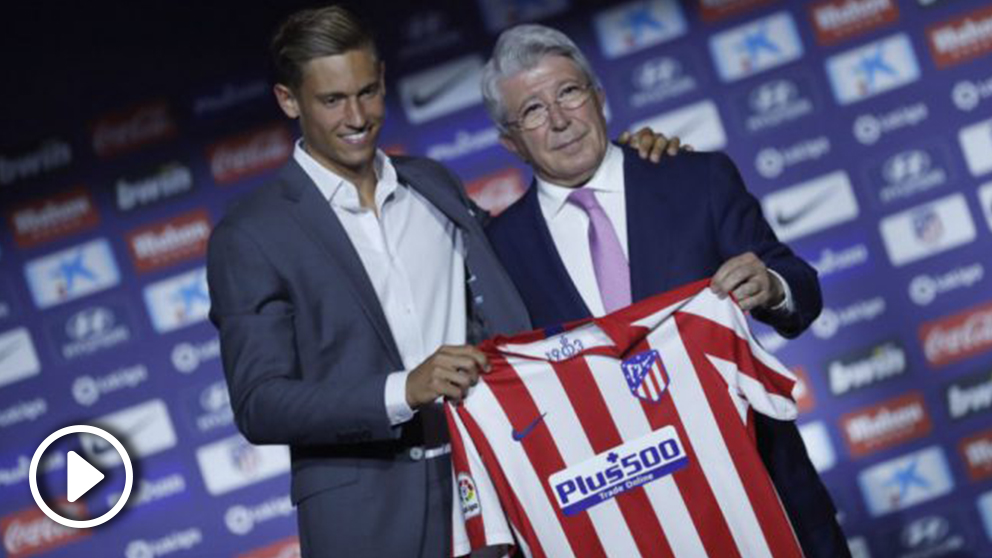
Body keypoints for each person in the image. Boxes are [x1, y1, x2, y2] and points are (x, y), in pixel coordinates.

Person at [206, 7, 680, 557]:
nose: (357, 116)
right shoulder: (252, 234)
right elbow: (261, 404)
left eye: (367, 92)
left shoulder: (431, 183)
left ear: (383, 78)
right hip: (371, 523)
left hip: (501, 491)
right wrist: (403, 390)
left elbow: (532, 254)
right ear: (289, 101)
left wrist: (625, 173)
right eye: (332, 100)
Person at [482, 24, 849, 558]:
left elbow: (801, 292)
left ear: (599, 97)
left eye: (568, 92)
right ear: (510, 142)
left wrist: (770, 286)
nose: (559, 119)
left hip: (764, 492)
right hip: (627, 527)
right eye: (533, 110)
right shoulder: (498, 249)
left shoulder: (693, 178)